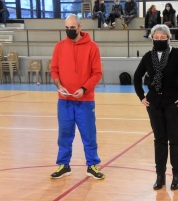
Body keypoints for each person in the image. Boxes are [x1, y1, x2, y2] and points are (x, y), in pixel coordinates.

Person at [134, 24, 178, 191]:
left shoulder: (177, 54)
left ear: (168, 38)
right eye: (156, 38)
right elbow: (137, 77)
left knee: (175, 140)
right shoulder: (148, 57)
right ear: (152, 39)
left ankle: (177, 175)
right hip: (154, 104)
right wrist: (142, 97)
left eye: (162, 38)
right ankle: (160, 176)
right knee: (159, 140)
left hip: (175, 104)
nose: (159, 40)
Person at [50, 14, 104, 180]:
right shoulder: (59, 46)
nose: (69, 31)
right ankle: (63, 165)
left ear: (79, 27)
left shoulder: (92, 47)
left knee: (88, 134)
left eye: (72, 28)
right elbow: (54, 69)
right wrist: (59, 86)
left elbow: (97, 73)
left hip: (85, 101)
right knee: (64, 134)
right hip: (64, 100)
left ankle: (92, 165)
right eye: (67, 28)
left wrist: (84, 89)